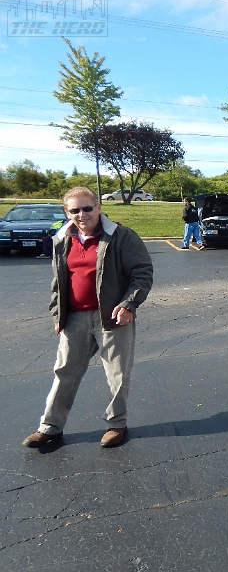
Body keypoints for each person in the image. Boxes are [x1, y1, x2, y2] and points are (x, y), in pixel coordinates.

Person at [22, 187, 153, 449]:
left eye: (87, 208)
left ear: (99, 208)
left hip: (112, 318)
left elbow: (142, 273)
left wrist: (128, 304)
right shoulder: (62, 240)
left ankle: (116, 424)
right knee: (64, 373)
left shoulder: (121, 236)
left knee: (116, 375)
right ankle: (50, 427)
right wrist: (57, 313)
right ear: (67, 213)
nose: (82, 215)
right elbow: (58, 282)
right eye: (75, 210)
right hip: (75, 319)